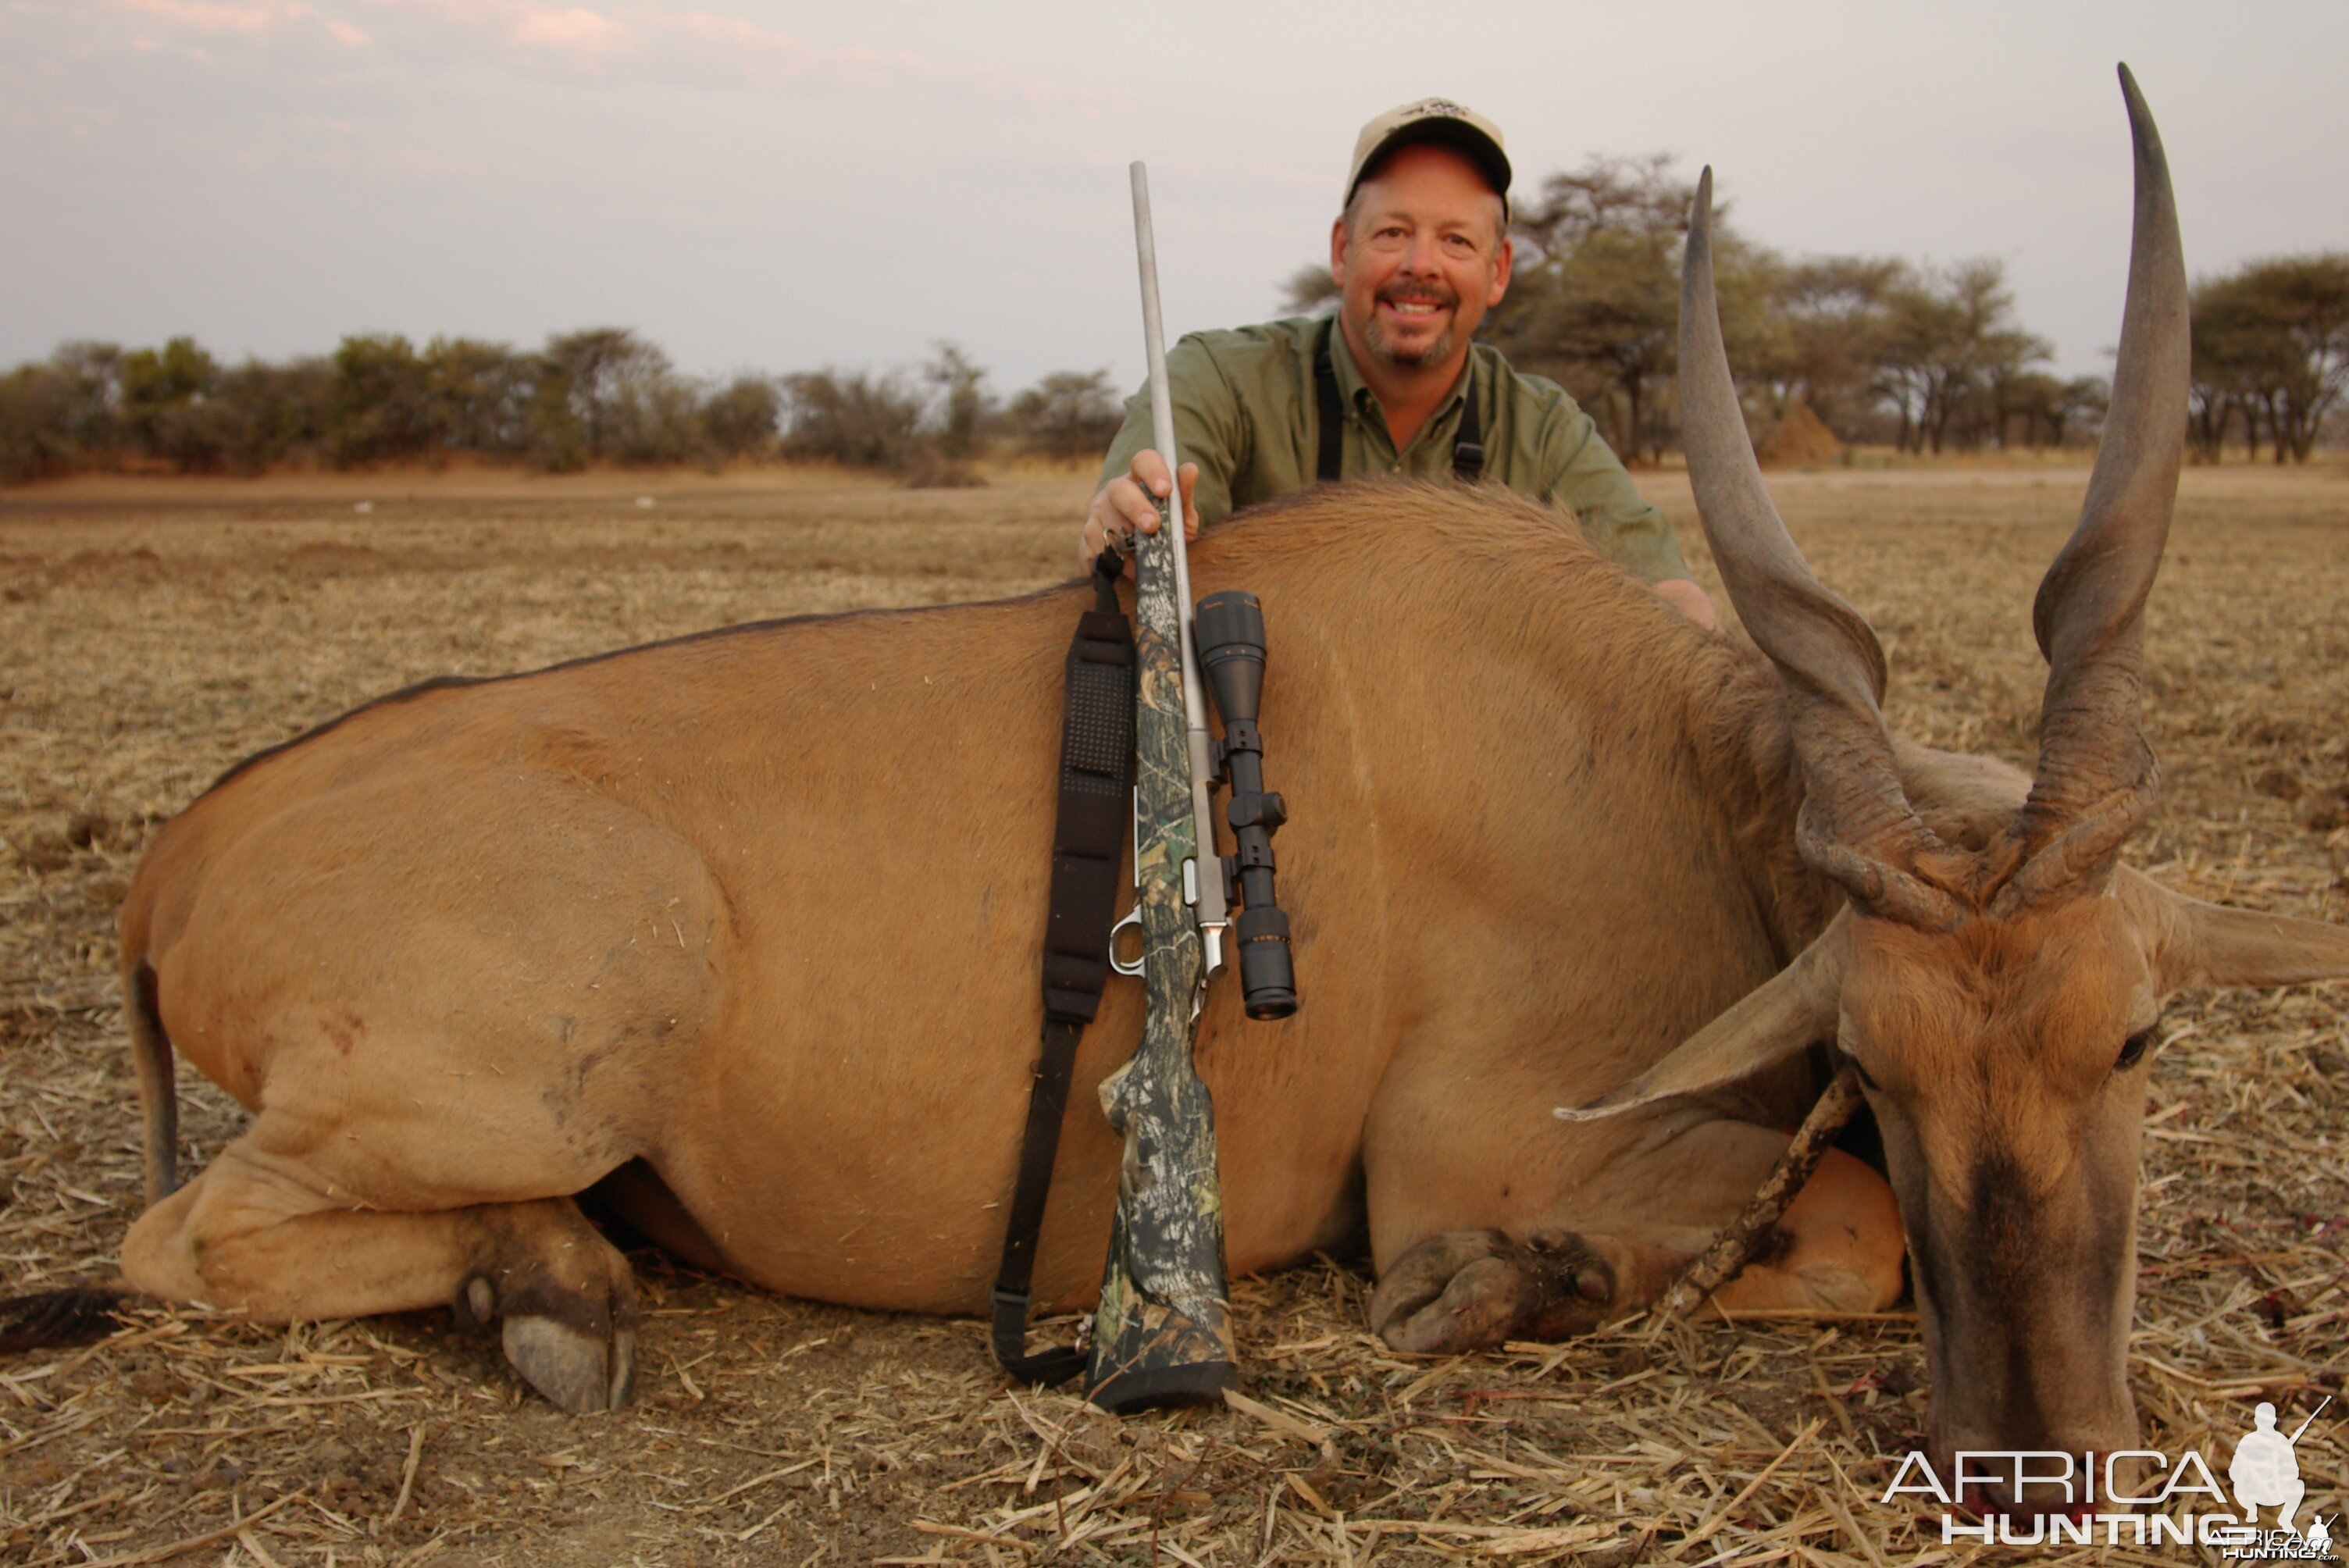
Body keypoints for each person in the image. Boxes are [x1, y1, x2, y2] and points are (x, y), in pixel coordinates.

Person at [1080, 96, 1719, 631]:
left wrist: (1681, 636)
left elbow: (1671, 601)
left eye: (1457, 240)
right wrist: (1132, 536)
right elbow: (1134, 540)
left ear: (1498, 272)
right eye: (1392, 233)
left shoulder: (1544, 429)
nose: (1421, 265)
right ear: (1341, 250)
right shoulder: (1217, 378)